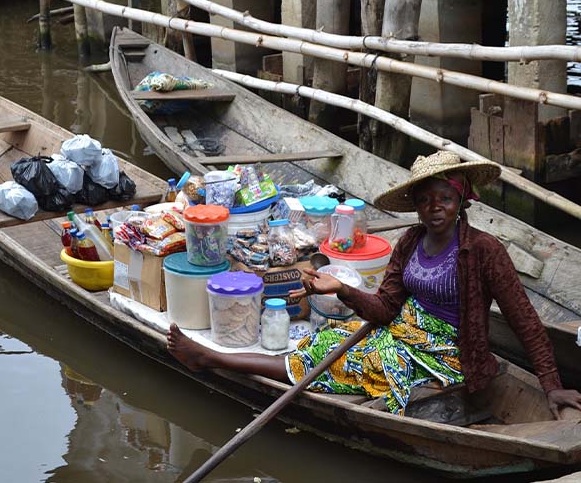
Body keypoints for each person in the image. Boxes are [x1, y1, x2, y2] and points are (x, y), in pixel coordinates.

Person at [167, 151, 581, 417]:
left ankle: (211, 359)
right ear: (416, 206)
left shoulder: (484, 250)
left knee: (343, 360)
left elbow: (524, 318)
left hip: (447, 352)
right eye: (424, 200)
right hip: (402, 331)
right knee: (325, 342)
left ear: (461, 203)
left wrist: (551, 385)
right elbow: (385, 308)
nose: (434, 208)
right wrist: (340, 289)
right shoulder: (410, 242)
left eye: (445, 199)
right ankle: (213, 359)